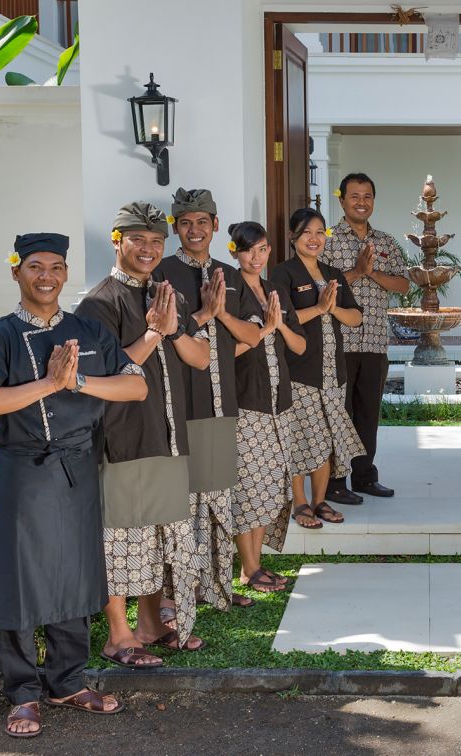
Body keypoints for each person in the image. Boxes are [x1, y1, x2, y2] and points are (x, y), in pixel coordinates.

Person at [0, 233, 146, 739]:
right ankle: (22, 692)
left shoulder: (89, 331)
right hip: (25, 468)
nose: (47, 276)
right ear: (16, 272)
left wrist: (78, 382)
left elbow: (135, 385)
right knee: (20, 578)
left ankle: (67, 680)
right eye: (36, 266)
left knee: (76, 573)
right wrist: (48, 383)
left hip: (79, 467)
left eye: (57, 267)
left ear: (66, 274)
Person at [75, 202, 212, 669]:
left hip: (168, 433)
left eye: (156, 241)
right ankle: (119, 635)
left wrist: (171, 332)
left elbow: (201, 358)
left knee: (157, 533)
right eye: (139, 240)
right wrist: (155, 333)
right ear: (118, 243)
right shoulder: (99, 303)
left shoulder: (166, 294)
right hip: (123, 437)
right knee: (121, 537)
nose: (149, 249)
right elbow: (106, 375)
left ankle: (152, 624)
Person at [155, 188, 266, 613]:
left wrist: (219, 312)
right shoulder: (161, 273)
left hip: (224, 407)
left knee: (219, 501)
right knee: (181, 505)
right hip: (180, 406)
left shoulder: (230, 275)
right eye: (186, 223)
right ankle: (172, 595)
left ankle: (217, 586)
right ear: (175, 228)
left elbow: (253, 336)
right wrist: (200, 314)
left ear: (216, 226)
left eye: (203, 222)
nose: (195, 230)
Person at [268, 207, 365, 524]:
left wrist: (332, 309)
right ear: (293, 237)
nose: (314, 238)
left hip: (333, 373)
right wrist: (320, 307)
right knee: (300, 438)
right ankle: (300, 504)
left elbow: (355, 317)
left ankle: (320, 501)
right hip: (299, 373)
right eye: (307, 232)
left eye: (320, 232)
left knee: (327, 438)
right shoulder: (283, 274)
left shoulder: (334, 274)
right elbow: (281, 319)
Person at [322, 172, 410, 502]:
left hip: (374, 342)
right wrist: (358, 273)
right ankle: (333, 481)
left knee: (368, 413)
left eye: (367, 196)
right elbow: (320, 287)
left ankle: (364, 476)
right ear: (342, 199)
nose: (362, 202)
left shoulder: (386, 242)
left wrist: (373, 273)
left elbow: (403, 285)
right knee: (337, 413)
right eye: (355, 196)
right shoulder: (327, 239)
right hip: (337, 343)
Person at [228, 221, 306, 587]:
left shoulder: (275, 289)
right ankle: (250, 566)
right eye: (247, 250)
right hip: (249, 400)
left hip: (280, 400)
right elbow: (224, 351)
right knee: (249, 485)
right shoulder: (230, 290)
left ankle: (252, 566)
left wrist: (278, 325)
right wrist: (261, 332)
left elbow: (299, 345)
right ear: (234, 252)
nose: (255, 257)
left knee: (271, 484)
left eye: (261, 249)